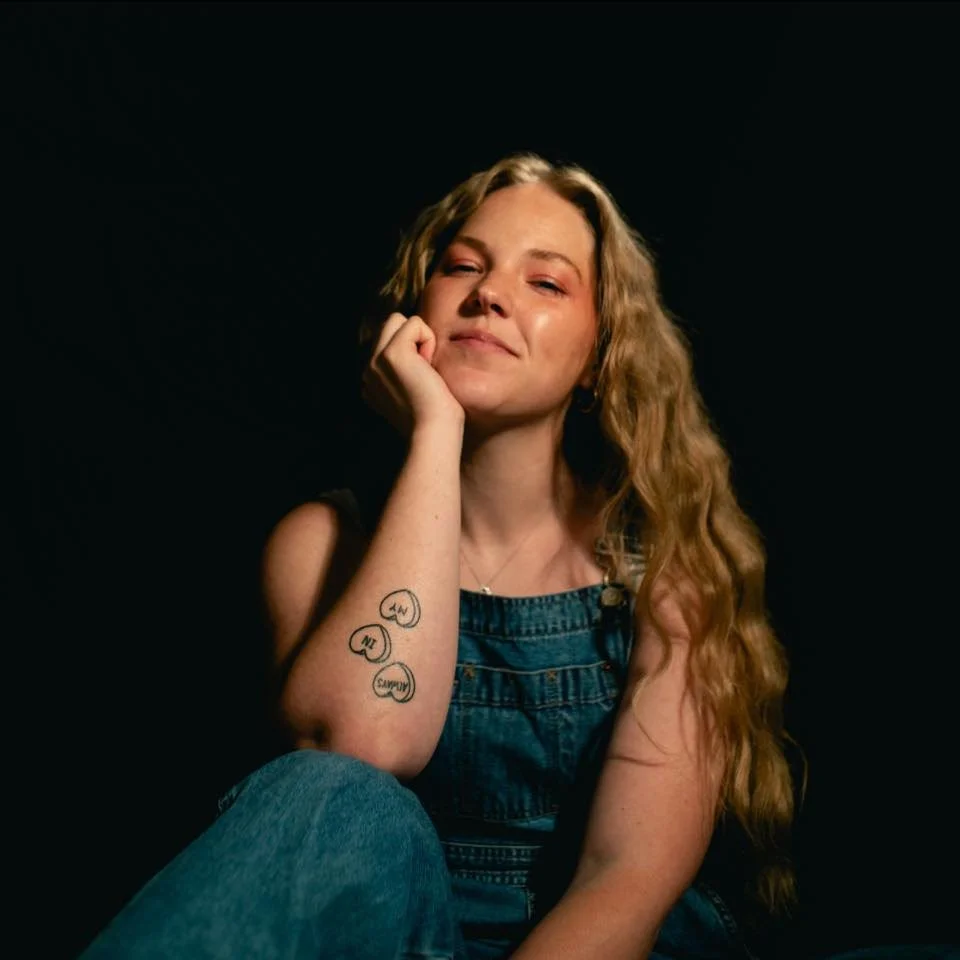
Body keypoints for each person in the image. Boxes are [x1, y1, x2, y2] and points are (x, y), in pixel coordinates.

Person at [80, 154, 798, 960]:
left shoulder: (667, 573)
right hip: (389, 932)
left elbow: (623, 881)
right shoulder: (320, 544)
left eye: (547, 284)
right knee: (334, 793)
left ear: (602, 355)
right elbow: (362, 750)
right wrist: (434, 434)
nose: (489, 294)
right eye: (463, 265)